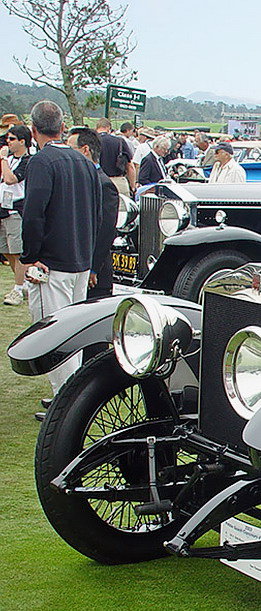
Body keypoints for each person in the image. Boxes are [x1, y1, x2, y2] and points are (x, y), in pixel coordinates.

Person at [20, 100, 102, 394]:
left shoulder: (41, 162)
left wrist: (31, 256)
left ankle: (64, 402)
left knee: (52, 334)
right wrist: (90, 257)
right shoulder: (84, 162)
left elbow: (34, 213)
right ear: (62, 126)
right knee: (74, 333)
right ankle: (69, 397)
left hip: (53, 262)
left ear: (33, 130)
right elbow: (97, 214)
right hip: (79, 258)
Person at [68, 127, 118, 299]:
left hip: (95, 274)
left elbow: (106, 230)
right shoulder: (80, 179)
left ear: (85, 150)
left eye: (71, 149)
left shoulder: (103, 184)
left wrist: (93, 267)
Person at [1, 123, 32, 306]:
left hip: (16, 210)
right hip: (3, 209)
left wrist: (3, 160)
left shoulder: (27, 161)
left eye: (12, 139)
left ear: (23, 141)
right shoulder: (10, 159)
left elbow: (11, 179)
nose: (8, 142)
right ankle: (21, 283)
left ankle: (18, 288)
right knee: (7, 251)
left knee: (18, 252)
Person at [95, 117, 136, 197]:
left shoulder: (91, 141)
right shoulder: (120, 141)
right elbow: (130, 166)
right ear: (108, 128)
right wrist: (132, 186)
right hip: (118, 182)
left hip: (97, 182)